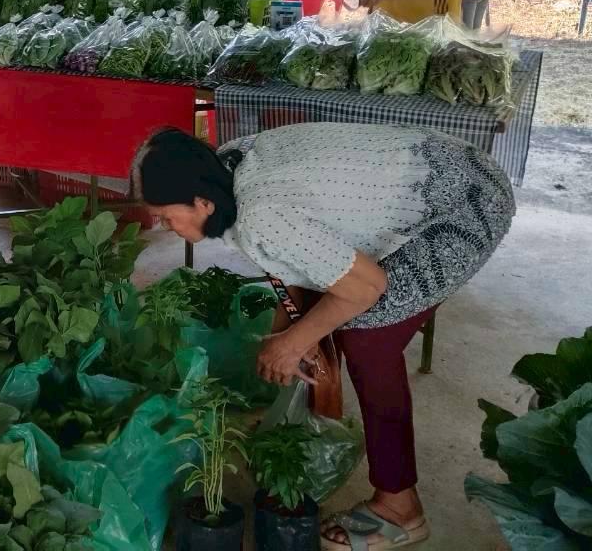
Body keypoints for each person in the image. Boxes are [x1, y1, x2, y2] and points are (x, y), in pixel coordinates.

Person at [136, 123, 515, 550]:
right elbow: (288, 256)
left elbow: (365, 287)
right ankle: (310, 411)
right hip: (442, 163)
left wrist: (295, 342)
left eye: (166, 216)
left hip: (465, 200)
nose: (164, 227)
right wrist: (289, 333)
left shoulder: (260, 214)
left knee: (367, 339)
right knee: (318, 317)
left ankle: (401, 507)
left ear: (202, 203)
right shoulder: (227, 165)